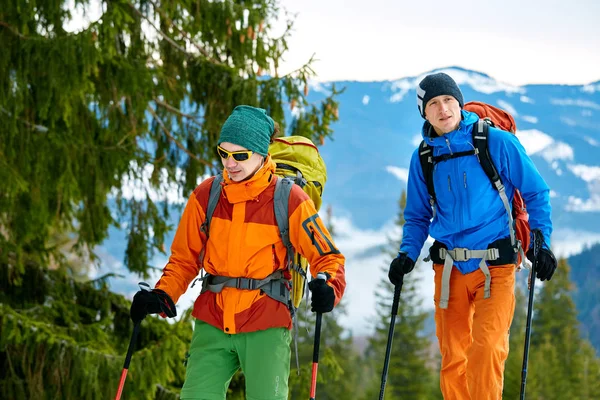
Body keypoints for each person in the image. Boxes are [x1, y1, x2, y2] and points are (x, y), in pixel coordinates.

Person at [130, 105, 346, 400]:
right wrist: (162, 294)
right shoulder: (207, 195)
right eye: (223, 153)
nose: (230, 163)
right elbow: (184, 258)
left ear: (261, 153)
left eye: (240, 155)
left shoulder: (290, 199)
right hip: (213, 320)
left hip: (266, 321)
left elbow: (328, 256)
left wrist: (329, 287)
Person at [388, 73, 557, 400]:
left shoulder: (495, 142)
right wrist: (407, 255)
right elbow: (418, 215)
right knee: (454, 358)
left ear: (459, 102)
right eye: (434, 104)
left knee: (487, 349)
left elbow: (536, 192)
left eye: (449, 100)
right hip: (449, 269)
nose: (443, 109)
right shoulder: (423, 157)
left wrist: (541, 242)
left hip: (497, 266)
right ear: (424, 112)